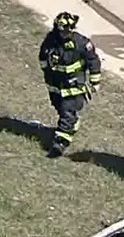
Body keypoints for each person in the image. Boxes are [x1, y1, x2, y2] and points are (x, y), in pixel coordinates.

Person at [39, 11, 102, 158]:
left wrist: (95, 81)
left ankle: (60, 144)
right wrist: (46, 72)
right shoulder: (51, 40)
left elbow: (93, 61)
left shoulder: (82, 43)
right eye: (63, 30)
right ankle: (71, 123)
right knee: (59, 107)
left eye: (69, 30)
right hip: (55, 83)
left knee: (67, 110)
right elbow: (43, 56)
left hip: (75, 84)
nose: (66, 33)